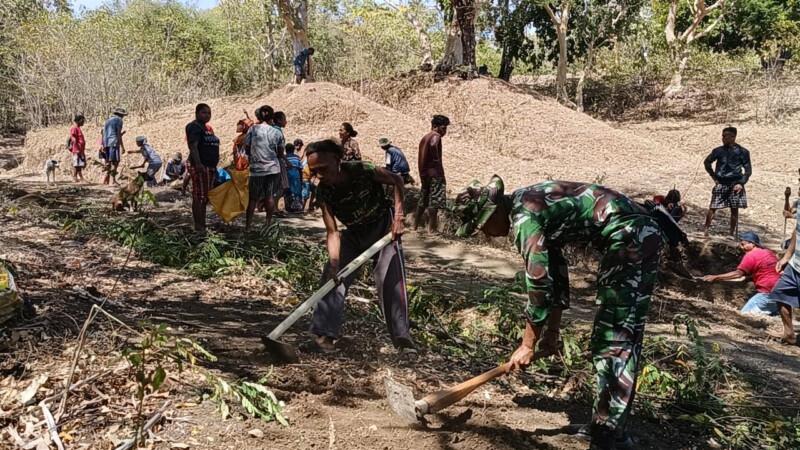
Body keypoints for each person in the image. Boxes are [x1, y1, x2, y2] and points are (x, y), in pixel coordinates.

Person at [453, 177, 687, 450]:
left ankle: (611, 436)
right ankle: (603, 426)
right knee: (608, 337)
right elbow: (556, 275)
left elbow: (538, 284)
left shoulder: (525, 217)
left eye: (482, 226)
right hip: (628, 233)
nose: (487, 234)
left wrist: (527, 344)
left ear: (492, 212)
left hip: (632, 235)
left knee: (616, 336)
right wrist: (551, 334)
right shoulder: (530, 205)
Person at [302, 139, 416, 358]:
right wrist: (335, 262)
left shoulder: (363, 170)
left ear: (337, 160)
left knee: (390, 281)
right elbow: (332, 232)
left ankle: (403, 340)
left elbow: (397, 181)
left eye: (323, 169)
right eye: (314, 171)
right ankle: (324, 338)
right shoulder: (324, 193)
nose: (320, 176)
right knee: (332, 278)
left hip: (383, 230)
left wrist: (399, 217)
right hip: (353, 234)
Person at [702, 232, 780, 316]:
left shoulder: (751, 255)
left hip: (767, 292)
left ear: (752, 243)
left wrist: (716, 277)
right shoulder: (769, 252)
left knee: (744, 315)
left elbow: (738, 274)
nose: (742, 248)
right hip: (780, 291)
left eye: (743, 244)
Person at [703, 127, 752, 236]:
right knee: (713, 206)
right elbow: (707, 162)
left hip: (735, 183)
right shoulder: (718, 151)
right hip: (721, 182)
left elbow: (748, 170)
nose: (723, 138)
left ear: (733, 137)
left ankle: (731, 233)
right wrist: (713, 176)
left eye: (725, 136)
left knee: (734, 209)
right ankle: (705, 230)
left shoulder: (742, 152)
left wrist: (741, 183)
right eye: (722, 136)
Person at [244, 105, 286, 230]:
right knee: (270, 196)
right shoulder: (277, 132)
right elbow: (280, 152)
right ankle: (267, 224)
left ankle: (248, 226)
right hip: (273, 168)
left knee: (253, 198)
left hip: (256, 169)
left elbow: (246, 147)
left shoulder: (253, 129)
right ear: (272, 116)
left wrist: (253, 155)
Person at [185, 103, 220, 232]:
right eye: (204, 112)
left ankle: (202, 224)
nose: (207, 115)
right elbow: (193, 146)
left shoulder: (206, 129)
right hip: (200, 165)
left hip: (209, 166)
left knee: (204, 197)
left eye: (209, 113)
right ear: (197, 113)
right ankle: (199, 226)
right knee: (199, 196)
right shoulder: (194, 127)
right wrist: (198, 163)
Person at [770, 207, 800, 345]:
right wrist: (787, 256)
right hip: (795, 265)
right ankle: (789, 333)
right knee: (779, 293)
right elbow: (797, 230)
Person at [415, 115, 450, 233]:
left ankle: (415, 225)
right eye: (443, 128)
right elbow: (433, 144)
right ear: (435, 127)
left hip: (424, 173)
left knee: (423, 199)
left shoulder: (425, 137)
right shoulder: (436, 136)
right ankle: (432, 229)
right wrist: (436, 160)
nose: (444, 131)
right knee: (434, 201)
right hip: (435, 173)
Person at [101, 107, 128, 185]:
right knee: (115, 161)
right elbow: (118, 133)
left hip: (106, 142)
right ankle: (113, 180)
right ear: (121, 115)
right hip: (113, 141)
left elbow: (103, 133)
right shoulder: (119, 120)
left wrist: (103, 144)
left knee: (109, 161)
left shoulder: (107, 120)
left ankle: (106, 180)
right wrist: (122, 146)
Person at [284, 143, 303, 215]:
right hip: (295, 174)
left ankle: (288, 208)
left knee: (287, 190)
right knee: (296, 190)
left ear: (286, 150)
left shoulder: (284, 157)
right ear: (293, 150)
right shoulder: (297, 157)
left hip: (287, 174)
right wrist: (300, 178)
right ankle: (297, 208)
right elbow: (300, 168)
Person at [69, 114, 86, 183]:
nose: (83, 122)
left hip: (80, 149)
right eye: (82, 121)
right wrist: (77, 148)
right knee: (77, 164)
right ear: (78, 121)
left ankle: (76, 177)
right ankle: (79, 177)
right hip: (77, 149)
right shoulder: (74, 128)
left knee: (79, 164)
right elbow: (73, 138)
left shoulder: (78, 128)